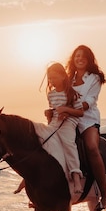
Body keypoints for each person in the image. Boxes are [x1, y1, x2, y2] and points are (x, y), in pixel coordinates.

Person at [14, 62, 83, 200]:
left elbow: (80, 112)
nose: (51, 81)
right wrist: (49, 113)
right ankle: (28, 177)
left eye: (54, 77)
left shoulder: (72, 93)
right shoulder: (51, 95)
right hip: (55, 122)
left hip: (69, 122)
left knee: (68, 143)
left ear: (63, 76)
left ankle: (76, 176)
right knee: (41, 141)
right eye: (50, 78)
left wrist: (66, 111)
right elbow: (53, 110)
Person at [55, 45, 106, 211]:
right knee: (49, 142)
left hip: (87, 119)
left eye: (83, 56)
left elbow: (88, 103)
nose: (80, 59)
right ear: (73, 59)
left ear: (88, 59)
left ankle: (104, 194)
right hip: (69, 119)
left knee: (92, 148)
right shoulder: (67, 78)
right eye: (77, 56)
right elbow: (61, 97)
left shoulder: (95, 78)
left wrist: (68, 110)